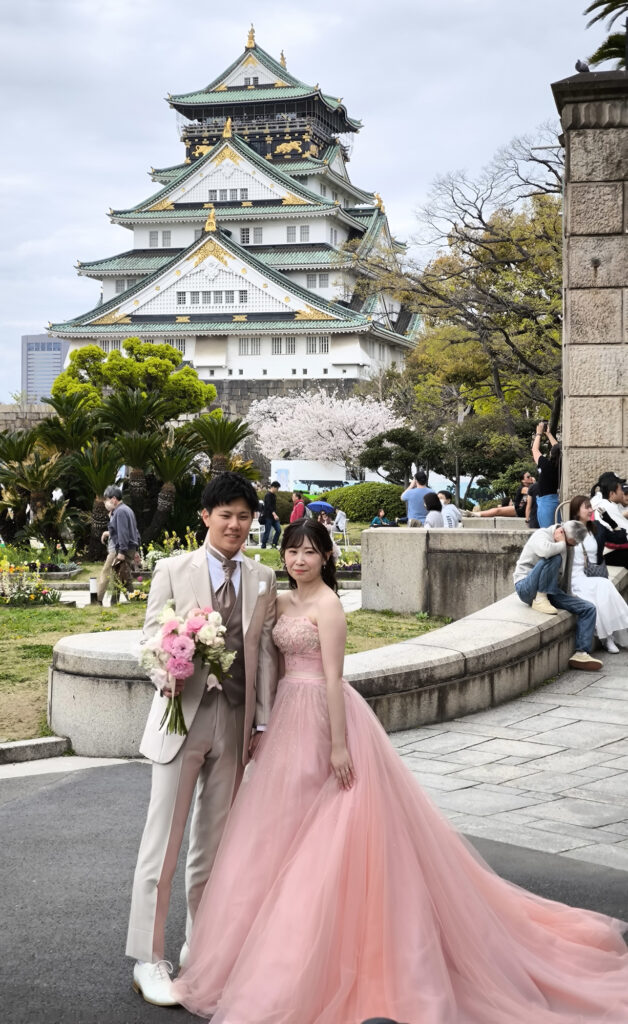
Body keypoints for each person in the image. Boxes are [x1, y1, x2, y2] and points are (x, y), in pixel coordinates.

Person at [173, 517, 628, 1022]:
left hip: (324, 715)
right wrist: (261, 721)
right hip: (285, 718)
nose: (299, 560)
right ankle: (259, 948)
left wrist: (339, 746)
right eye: (292, 551)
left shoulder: (329, 606)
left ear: (327, 557)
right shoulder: (279, 602)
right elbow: (268, 664)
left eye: (309, 552)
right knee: (278, 830)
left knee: (327, 830)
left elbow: (333, 679)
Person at [126, 473, 278, 1006]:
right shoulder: (173, 569)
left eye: (244, 516)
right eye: (226, 514)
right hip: (180, 718)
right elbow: (151, 635)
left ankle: (202, 946)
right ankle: (148, 958)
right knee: (163, 843)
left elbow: (265, 657)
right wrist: (165, 671)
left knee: (213, 846)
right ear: (206, 516)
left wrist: (262, 723)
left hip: (234, 722)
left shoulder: (263, 577)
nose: (235, 524)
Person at [513, 518, 603, 671]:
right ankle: (540, 598)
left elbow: (566, 574)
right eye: (569, 543)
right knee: (553, 556)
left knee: (589, 608)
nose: (568, 547)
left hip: (551, 589)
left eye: (571, 545)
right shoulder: (542, 535)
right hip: (526, 588)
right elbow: (545, 552)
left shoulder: (567, 545)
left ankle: (581, 653)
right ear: (560, 531)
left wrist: (568, 596)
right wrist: (561, 544)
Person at [566, 494, 628, 654]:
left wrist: (610, 521)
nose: (591, 510)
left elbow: (621, 538)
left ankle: (609, 637)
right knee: (600, 590)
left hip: (595, 573)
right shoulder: (568, 529)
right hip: (575, 577)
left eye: (590, 506)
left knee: (604, 588)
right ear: (576, 510)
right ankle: (607, 638)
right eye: (586, 507)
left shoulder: (597, 527)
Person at [103, 485, 141, 593]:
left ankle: (133, 596)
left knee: (122, 575)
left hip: (125, 548)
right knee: (120, 575)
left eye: (107, 499)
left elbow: (122, 533)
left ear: (114, 499)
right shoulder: (127, 509)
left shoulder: (120, 512)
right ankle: (121, 599)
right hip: (130, 547)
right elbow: (135, 531)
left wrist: (121, 551)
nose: (106, 502)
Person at [591, 472, 628, 570]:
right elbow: (625, 534)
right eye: (620, 489)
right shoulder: (607, 506)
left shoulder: (606, 502)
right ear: (612, 493)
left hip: (613, 548)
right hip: (609, 553)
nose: (622, 492)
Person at [532, 421, 561, 527]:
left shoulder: (546, 465)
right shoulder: (561, 466)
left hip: (546, 503)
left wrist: (538, 433)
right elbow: (558, 449)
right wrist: (548, 434)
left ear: (551, 453)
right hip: (555, 501)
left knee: (548, 531)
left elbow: (535, 450)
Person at [471, 470, 535, 519]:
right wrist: (534, 483)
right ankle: (476, 514)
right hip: (518, 511)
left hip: (525, 511)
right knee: (497, 511)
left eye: (530, 476)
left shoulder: (530, 487)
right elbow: (532, 491)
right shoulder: (523, 488)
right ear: (523, 480)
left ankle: (476, 513)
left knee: (498, 510)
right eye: (528, 477)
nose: (531, 478)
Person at [96, 497, 117, 603]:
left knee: (106, 573)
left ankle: (98, 599)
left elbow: (119, 530)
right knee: (116, 575)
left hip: (115, 549)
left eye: (106, 501)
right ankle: (114, 599)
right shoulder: (114, 514)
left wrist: (106, 533)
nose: (105, 503)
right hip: (115, 548)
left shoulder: (118, 513)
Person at [260, 480, 281, 549]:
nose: (277, 490)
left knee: (278, 530)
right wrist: (274, 514)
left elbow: (273, 507)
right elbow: (269, 507)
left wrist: (275, 515)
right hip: (268, 516)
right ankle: (263, 545)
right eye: (277, 488)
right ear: (273, 487)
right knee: (267, 531)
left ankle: (274, 544)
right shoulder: (268, 495)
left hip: (273, 517)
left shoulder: (274, 495)